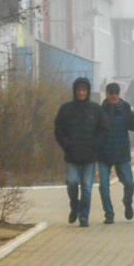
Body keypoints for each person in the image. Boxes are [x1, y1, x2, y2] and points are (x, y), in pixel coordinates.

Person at [54, 77, 109, 227]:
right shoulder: (65, 109)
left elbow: (104, 130)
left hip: (89, 155)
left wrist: (95, 144)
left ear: (88, 91)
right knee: (72, 182)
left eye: (84, 90)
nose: (81, 93)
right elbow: (58, 131)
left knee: (86, 187)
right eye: (79, 90)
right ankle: (74, 205)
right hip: (71, 154)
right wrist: (66, 145)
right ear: (75, 91)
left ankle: (83, 216)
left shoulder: (96, 110)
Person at [97, 82, 134, 224]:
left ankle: (127, 202)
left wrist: (129, 111)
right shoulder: (100, 111)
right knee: (104, 185)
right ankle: (109, 213)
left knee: (129, 183)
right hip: (104, 154)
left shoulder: (125, 109)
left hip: (122, 154)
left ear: (119, 94)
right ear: (106, 94)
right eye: (111, 93)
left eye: (116, 93)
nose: (114, 96)